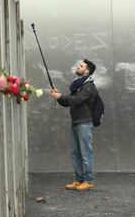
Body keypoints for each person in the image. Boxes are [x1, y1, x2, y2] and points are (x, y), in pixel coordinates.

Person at [50, 59, 97, 191]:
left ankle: (88, 180)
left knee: (86, 153)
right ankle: (79, 179)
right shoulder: (78, 85)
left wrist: (61, 96)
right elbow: (68, 102)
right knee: (75, 153)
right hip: (76, 122)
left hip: (85, 123)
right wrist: (58, 97)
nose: (78, 67)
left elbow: (76, 100)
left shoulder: (89, 87)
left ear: (87, 71)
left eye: (81, 66)